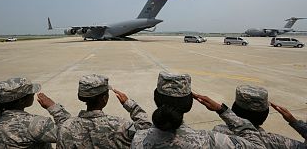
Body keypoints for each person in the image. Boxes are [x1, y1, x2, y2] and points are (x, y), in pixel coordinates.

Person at [131, 71, 266, 149]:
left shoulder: (138, 140)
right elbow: (257, 145)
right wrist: (222, 110)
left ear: (156, 100)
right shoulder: (209, 140)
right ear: (189, 104)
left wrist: (132, 107)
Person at [57, 74, 152, 149]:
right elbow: (146, 128)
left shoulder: (66, 127)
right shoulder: (119, 125)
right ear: (104, 98)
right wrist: (130, 105)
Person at [0, 77, 71, 148]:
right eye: (30, 93)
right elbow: (70, 134)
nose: (33, 94)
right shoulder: (34, 124)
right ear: (21, 101)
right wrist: (53, 107)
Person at [213, 85, 306, 148]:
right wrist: (295, 122)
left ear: (233, 110)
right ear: (264, 115)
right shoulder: (277, 142)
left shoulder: (218, 132)